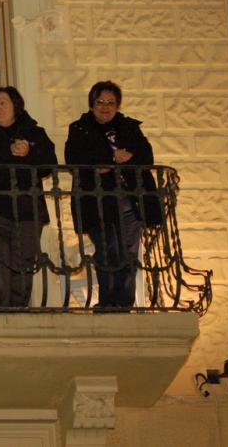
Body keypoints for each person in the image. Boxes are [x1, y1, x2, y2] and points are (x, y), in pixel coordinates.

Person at [64, 80, 162, 308]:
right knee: (109, 251)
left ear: (117, 105)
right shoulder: (80, 128)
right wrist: (111, 158)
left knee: (129, 253)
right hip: (98, 202)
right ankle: (109, 302)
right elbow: (75, 160)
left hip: (132, 200)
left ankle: (124, 303)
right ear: (92, 104)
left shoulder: (129, 127)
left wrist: (111, 162)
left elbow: (145, 157)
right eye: (100, 101)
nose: (105, 106)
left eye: (110, 102)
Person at [0, 86, 58, 308]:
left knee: (23, 263)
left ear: (16, 106)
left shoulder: (35, 132)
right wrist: (8, 151)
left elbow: (49, 164)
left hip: (28, 209)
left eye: (2, 103)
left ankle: (19, 310)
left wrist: (29, 152)